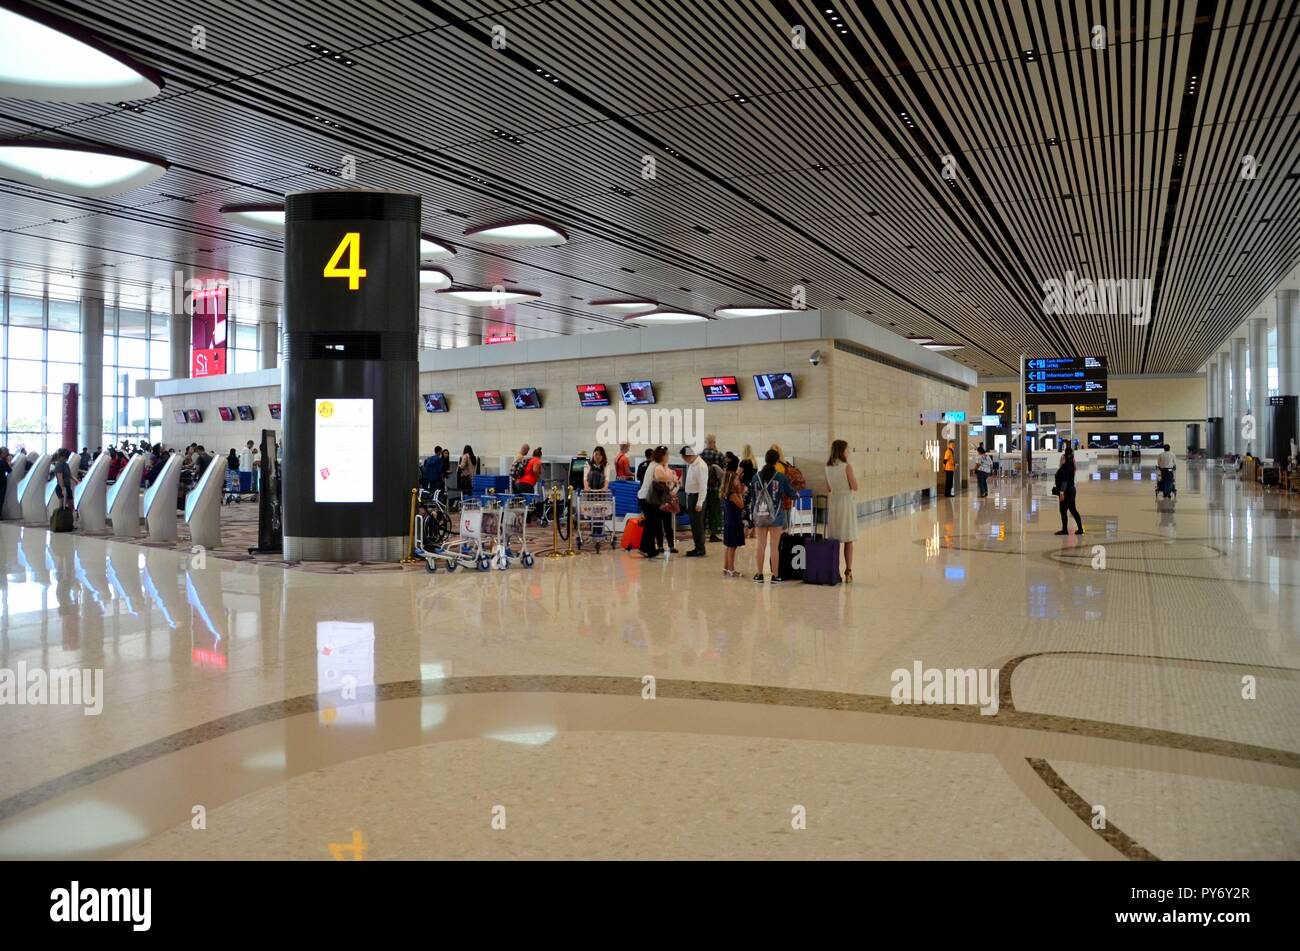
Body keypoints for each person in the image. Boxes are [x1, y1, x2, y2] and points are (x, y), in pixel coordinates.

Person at [750, 449, 799, 583]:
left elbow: (753, 497)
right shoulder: (780, 477)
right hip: (776, 516)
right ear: (777, 461)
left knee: (760, 545)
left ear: (765, 460)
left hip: (759, 515)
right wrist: (797, 494)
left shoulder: (756, 477)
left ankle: (759, 574)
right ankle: (775, 575)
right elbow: (790, 493)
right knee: (774, 546)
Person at [824, 439, 859, 583]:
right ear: (841, 451)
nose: (848, 452)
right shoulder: (847, 467)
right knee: (848, 538)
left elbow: (828, 488)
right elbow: (855, 486)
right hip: (846, 502)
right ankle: (848, 570)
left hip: (834, 503)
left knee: (835, 538)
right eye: (847, 449)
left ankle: (835, 570)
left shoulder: (827, 467)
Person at [638, 447, 676, 558]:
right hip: (648, 499)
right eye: (667, 455)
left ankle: (646, 548)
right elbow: (660, 477)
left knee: (651, 524)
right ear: (662, 455)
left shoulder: (653, 464)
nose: (668, 457)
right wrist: (672, 477)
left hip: (646, 498)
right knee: (652, 524)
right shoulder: (657, 466)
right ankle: (647, 549)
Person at [680, 445, 709, 556]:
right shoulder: (692, 464)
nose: (684, 460)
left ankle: (700, 549)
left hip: (697, 497)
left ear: (689, 455)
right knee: (694, 524)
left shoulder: (700, 466)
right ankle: (697, 547)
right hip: (692, 496)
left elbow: (703, 486)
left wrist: (699, 502)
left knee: (698, 525)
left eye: (684, 458)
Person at [720, 456, 746, 577]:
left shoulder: (727, 493)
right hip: (734, 521)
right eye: (737, 480)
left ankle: (726, 568)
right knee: (732, 547)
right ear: (732, 482)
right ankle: (731, 569)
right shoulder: (733, 495)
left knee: (729, 546)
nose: (738, 482)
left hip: (729, 521)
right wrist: (740, 492)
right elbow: (741, 505)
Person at [1052, 445, 1084, 536]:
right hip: (1071, 490)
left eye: (1062, 458)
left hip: (1066, 491)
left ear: (1065, 458)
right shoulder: (1070, 465)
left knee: (1063, 510)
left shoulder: (1065, 468)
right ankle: (1080, 529)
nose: (1060, 459)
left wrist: (1061, 493)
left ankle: (1065, 530)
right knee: (1073, 510)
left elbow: (1065, 481)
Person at [699, 434, 725, 543]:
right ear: (714, 442)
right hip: (715, 488)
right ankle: (713, 534)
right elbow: (723, 472)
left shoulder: (701, 455)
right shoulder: (719, 455)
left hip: (703, 488)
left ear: (706, 442)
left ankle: (702, 533)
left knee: (704, 511)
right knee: (715, 511)